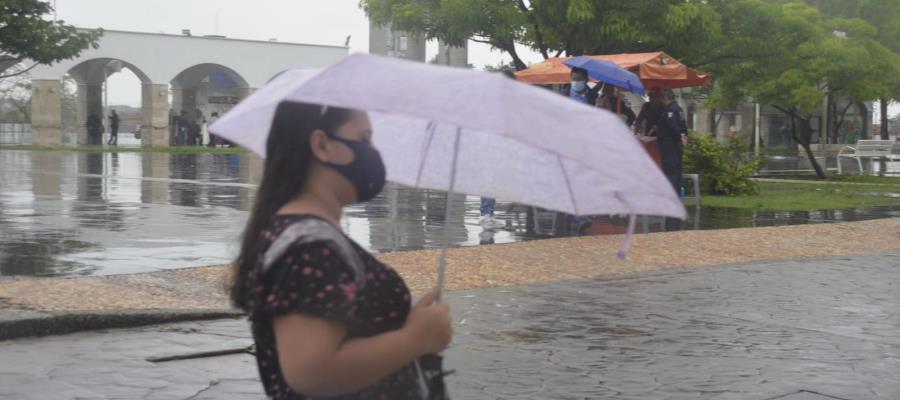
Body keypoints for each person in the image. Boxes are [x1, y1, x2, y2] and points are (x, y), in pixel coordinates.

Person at [231, 101, 452, 399]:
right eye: (363, 139)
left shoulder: (305, 235)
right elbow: (311, 371)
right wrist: (415, 338)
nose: (373, 151)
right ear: (321, 144)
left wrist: (404, 323)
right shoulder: (311, 246)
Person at [657, 89, 688, 230]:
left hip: (671, 147)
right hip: (673, 146)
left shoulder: (672, 110)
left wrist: (679, 136)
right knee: (674, 173)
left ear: (664, 97)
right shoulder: (678, 109)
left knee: (671, 173)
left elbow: (673, 126)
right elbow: (683, 127)